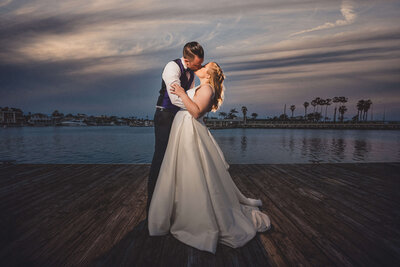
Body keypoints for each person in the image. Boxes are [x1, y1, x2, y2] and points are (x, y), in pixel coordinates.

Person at [148, 62, 271, 254]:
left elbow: (196, 112)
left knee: (193, 170)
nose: (201, 65)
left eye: (206, 65)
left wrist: (181, 94)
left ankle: (194, 215)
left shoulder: (207, 88)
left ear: (209, 73)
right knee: (181, 170)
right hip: (182, 130)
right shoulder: (199, 86)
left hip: (190, 131)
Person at [146, 42, 204, 218]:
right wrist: (195, 108)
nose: (199, 67)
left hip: (179, 116)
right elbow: (175, 97)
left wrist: (192, 104)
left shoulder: (191, 71)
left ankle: (172, 202)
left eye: (201, 63)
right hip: (164, 117)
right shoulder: (172, 67)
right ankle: (151, 207)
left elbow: (188, 95)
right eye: (196, 64)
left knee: (178, 158)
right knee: (161, 158)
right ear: (186, 59)